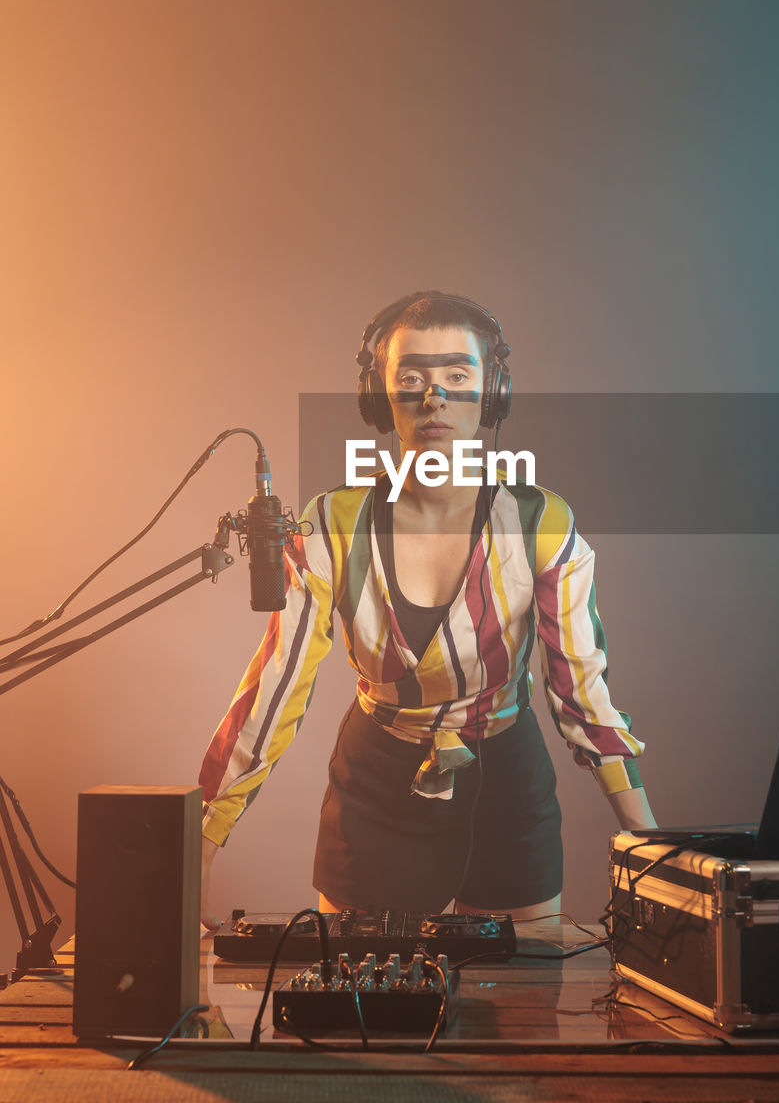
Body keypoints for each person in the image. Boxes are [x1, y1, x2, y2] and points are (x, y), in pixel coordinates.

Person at [199, 291, 655, 927]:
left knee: (528, 1008)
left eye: (457, 377)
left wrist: (652, 851)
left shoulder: (541, 524)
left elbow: (581, 691)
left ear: (490, 393)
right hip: (376, 784)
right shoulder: (331, 526)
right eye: (411, 379)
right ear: (378, 395)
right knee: (355, 1009)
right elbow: (276, 687)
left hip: (507, 783)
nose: (434, 398)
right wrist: (201, 843)